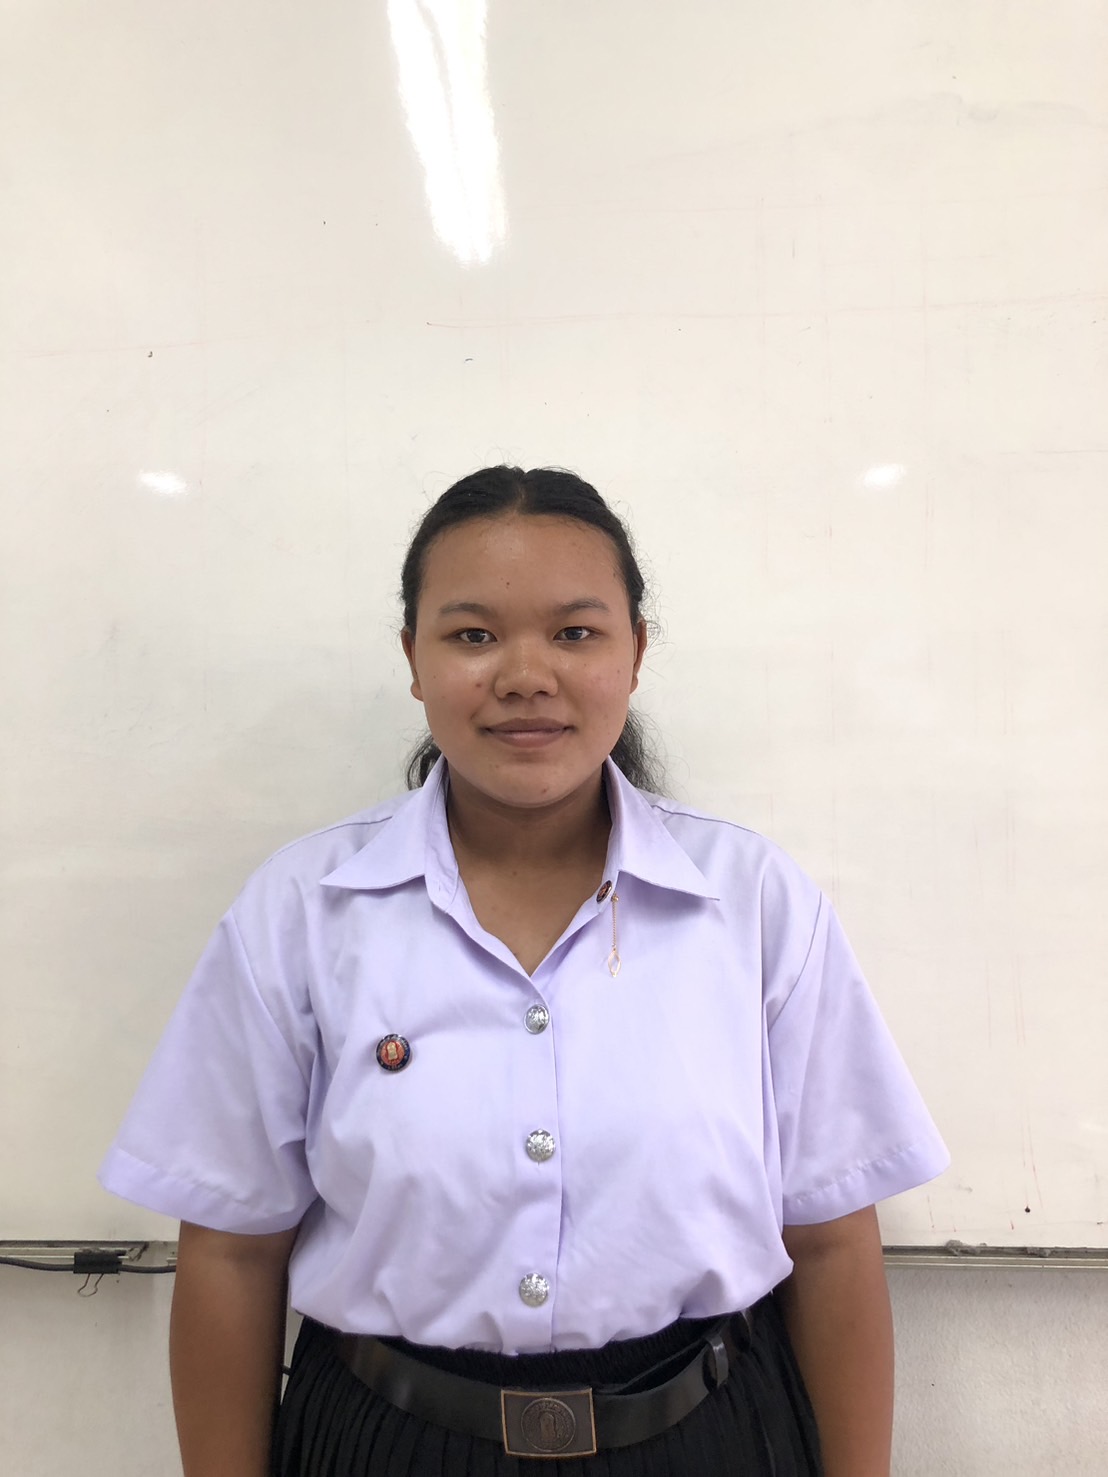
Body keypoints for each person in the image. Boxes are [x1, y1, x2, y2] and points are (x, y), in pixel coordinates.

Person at [99, 465, 949, 1477]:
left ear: (636, 653)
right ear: (412, 659)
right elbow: (233, 1251)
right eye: (472, 635)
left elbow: (832, 1242)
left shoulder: (753, 903)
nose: (525, 674)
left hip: (707, 1435)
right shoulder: (303, 910)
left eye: (575, 632)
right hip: (386, 1441)